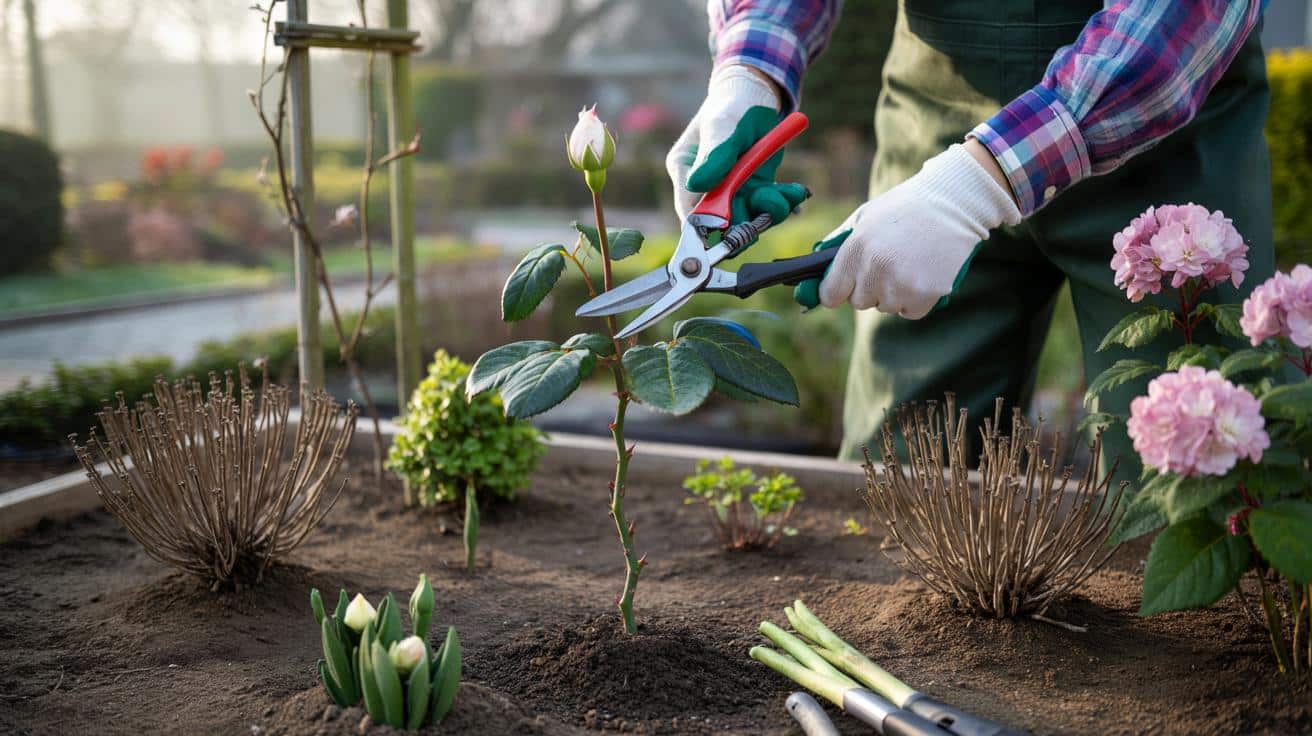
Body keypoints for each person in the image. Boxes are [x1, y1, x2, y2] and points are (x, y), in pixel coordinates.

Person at [667, 0, 1273, 477]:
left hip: (1161, 133)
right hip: (932, 122)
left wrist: (977, 184)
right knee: (900, 475)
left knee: (1191, 475)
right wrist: (750, 70)